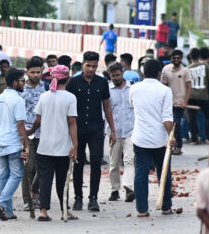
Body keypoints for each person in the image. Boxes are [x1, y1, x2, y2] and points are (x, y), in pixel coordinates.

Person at [128, 58, 176, 217]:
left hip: (140, 138)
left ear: (143, 72)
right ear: (159, 73)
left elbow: (131, 106)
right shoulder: (165, 90)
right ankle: (166, 206)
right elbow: (167, 118)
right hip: (160, 139)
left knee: (141, 173)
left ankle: (142, 209)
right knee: (164, 172)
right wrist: (171, 136)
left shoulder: (134, 89)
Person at [67, 51, 114, 212]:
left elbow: (107, 106)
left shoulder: (102, 83)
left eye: (94, 66)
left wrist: (112, 130)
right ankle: (78, 197)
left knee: (96, 162)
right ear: (82, 65)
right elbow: (67, 108)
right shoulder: (73, 83)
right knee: (78, 163)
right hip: (77, 129)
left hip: (96, 129)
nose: (91, 69)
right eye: (88, 66)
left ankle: (93, 198)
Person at [30, 63, 77, 221]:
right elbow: (72, 122)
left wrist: (30, 132)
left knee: (45, 180)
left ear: (52, 78)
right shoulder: (70, 98)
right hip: (63, 147)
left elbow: (38, 120)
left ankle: (43, 211)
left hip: (44, 146)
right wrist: (75, 145)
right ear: (68, 79)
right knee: (62, 180)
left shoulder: (45, 96)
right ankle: (65, 210)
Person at [0, 66, 29, 220]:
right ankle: (1, 202)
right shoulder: (18, 100)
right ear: (14, 82)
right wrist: (26, 145)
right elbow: (21, 125)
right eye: (22, 81)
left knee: (3, 177)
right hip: (13, 143)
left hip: (0, 143)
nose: (24, 84)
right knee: (17, 174)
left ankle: (7, 211)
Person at [19, 57, 47, 216]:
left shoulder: (47, 88)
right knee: (27, 168)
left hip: (44, 132)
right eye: (32, 72)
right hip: (27, 133)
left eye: (38, 72)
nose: (36, 75)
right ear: (27, 72)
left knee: (41, 167)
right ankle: (27, 199)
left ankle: (35, 192)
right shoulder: (22, 90)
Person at [105, 61, 134, 202]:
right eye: (112, 76)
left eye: (117, 75)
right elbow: (105, 112)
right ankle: (115, 189)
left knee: (129, 160)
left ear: (122, 73)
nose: (115, 78)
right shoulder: (108, 90)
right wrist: (109, 131)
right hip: (114, 132)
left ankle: (128, 187)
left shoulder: (132, 89)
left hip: (131, 131)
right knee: (114, 163)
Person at [161, 48, 191, 155]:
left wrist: (185, 102)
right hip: (168, 102)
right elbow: (163, 86)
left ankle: (179, 146)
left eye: (178, 58)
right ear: (171, 59)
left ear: (181, 59)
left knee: (176, 123)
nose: (176, 60)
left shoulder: (185, 71)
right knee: (167, 123)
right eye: (174, 58)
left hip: (179, 103)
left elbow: (189, 87)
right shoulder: (165, 70)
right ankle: (169, 144)